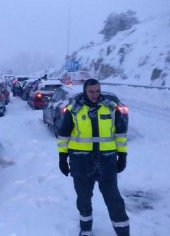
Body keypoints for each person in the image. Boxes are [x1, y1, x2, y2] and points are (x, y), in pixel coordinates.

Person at [57, 78, 129, 236]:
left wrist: (122, 155)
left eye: (97, 91)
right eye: (91, 91)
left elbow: (120, 135)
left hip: (107, 160)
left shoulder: (111, 108)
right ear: (85, 91)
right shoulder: (74, 109)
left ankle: (123, 232)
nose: (95, 94)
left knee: (114, 199)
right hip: (80, 161)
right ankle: (86, 229)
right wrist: (62, 158)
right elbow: (63, 135)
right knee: (83, 199)